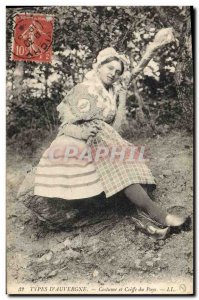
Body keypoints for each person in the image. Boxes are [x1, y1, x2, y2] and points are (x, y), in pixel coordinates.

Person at [32, 47, 186, 238]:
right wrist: (84, 133)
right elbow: (65, 126)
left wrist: (122, 97)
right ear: (98, 66)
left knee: (133, 170)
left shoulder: (110, 93)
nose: (113, 73)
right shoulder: (84, 88)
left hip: (105, 137)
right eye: (110, 68)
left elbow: (115, 127)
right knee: (120, 171)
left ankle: (148, 224)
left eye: (117, 71)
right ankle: (161, 217)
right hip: (79, 140)